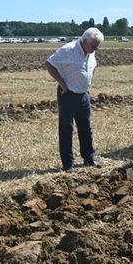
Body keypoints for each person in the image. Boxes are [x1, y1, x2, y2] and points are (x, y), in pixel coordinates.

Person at [45, 27, 104, 171]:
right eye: (93, 45)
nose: (95, 48)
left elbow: (93, 67)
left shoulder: (91, 52)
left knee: (86, 128)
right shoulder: (68, 50)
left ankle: (89, 159)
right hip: (68, 94)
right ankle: (68, 164)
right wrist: (62, 84)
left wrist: (87, 83)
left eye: (97, 46)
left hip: (84, 95)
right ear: (84, 41)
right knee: (66, 129)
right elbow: (49, 64)